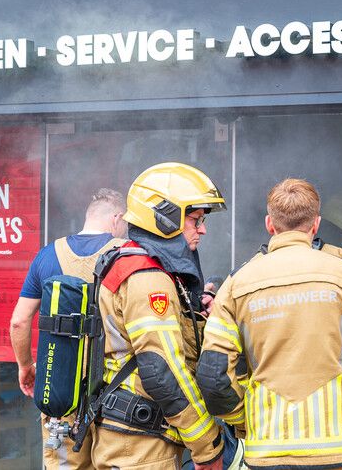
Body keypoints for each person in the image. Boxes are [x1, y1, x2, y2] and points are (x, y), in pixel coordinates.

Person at [197, 178, 342, 470]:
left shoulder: (237, 283)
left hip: (269, 452)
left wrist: (245, 416)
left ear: (269, 224)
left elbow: (214, 378)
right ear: (316, 225)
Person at [90, 162, 225, 470]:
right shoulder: (148, 278)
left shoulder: (137, 264)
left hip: (132, 441)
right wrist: (209, 446)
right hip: (139, 449)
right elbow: (163, 373)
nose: (202, 229)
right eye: (195, 220)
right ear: (164, 217)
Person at [10, 188, 127, 470]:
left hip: (62, 388)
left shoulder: (47, 255)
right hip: (117, 394)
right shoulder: (126, 255)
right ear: (117, 218)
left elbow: (18, 321)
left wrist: (25, 366)